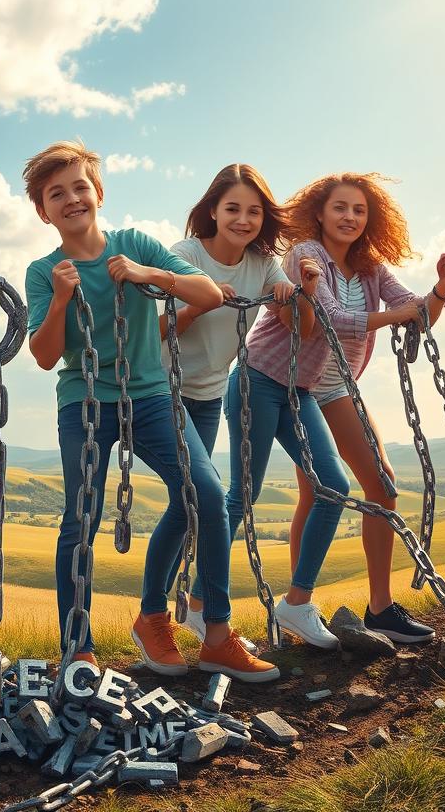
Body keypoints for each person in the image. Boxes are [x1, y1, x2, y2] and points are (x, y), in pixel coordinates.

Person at [23, 140, 279, 682]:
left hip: (152, 396)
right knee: (81, 520)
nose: (72, 199)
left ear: (99, 193)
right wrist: (64, 299)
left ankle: (215, 635)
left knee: (206, 496)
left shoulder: (134, 243)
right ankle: (79, 646)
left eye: (80, 187)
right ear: (43, 210)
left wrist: (147, 274)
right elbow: (46, 357)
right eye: (56, 194)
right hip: (85, 404)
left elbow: (208, 294)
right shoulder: (43, 271)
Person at [286, 173, 445, 643]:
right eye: (340, 208)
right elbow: (330, 319)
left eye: (359, 210)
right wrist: (396, 315)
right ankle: (298, 607)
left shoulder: (370, 266)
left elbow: (415, 311)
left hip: (339, 387)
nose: (350, 217)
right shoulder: (306, 255)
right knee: (333, 492)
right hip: (296, 387)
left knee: (375, 488)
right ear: (319, 213)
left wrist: (439, 289)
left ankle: (377, 608)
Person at [152, 163, 311, 649]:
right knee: (204, 496)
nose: (243, 219)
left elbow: (295, 322)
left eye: (254, 211)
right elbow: (156, 329)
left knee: (189, 504)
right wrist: (199, 301)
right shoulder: (184, 255)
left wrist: (295, 290)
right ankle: (177, 616)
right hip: (162, 388)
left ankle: (171, 617)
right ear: (213, 212)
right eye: (233, 209)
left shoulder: (263, 265)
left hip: (209, 392)